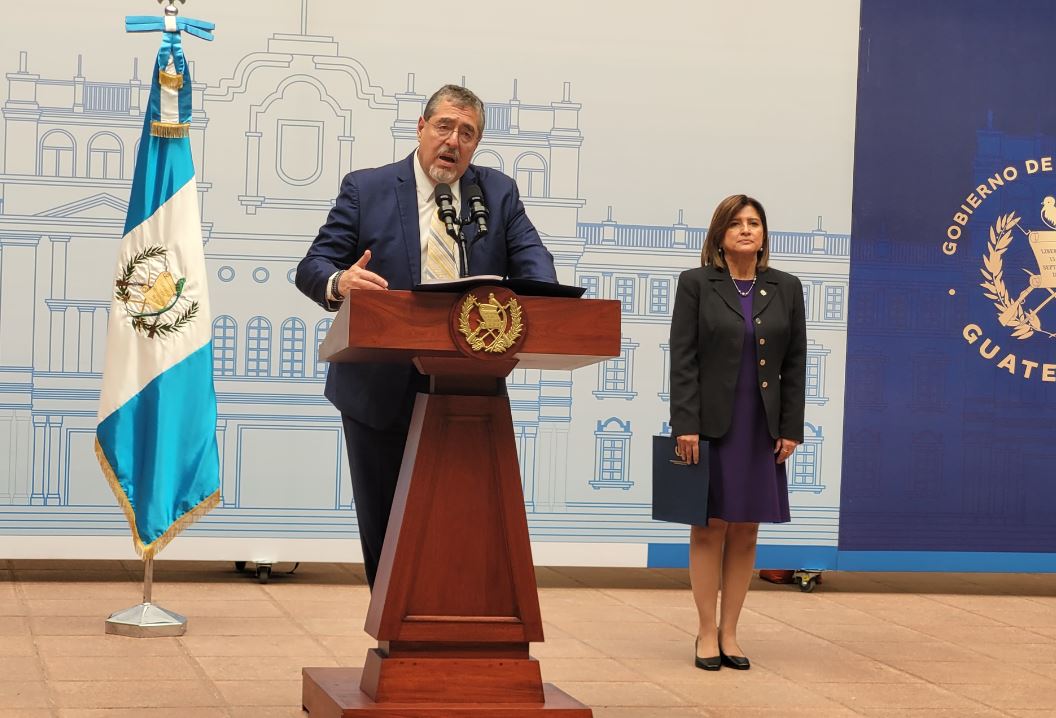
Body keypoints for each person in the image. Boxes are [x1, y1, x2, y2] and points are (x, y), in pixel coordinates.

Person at [295, 85, 557, 589]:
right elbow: (313, 266)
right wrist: (340, 282)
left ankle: (449, 642)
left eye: (467, 133)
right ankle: (394, 638)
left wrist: (547, 302)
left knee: (464, 527)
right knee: (387, 527)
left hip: (469, 389)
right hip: (377, 386)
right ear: (421, 127)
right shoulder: (366, 188)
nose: (453, 141)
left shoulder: (496, 195)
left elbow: (533, 261)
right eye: (444, 126)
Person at [669, 194, 806, 671]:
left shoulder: (786, 287)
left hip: (762, 425)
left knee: (746, 528)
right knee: (709, 526)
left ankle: (731, 633)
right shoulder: (696, 284)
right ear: (720, 235)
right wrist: (684, 424)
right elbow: (682, 358)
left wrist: (791, 427)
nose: (747, 230)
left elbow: (795, 363)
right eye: (736, 224)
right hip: (709, 425)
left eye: (754, 223)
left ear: (764, 234)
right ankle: (706, 632)